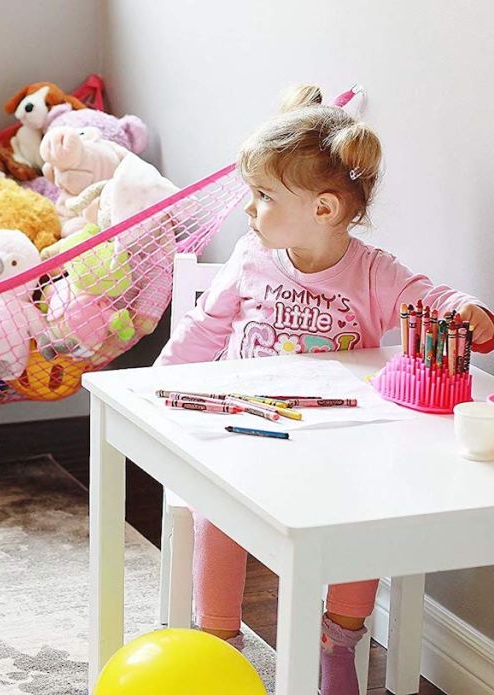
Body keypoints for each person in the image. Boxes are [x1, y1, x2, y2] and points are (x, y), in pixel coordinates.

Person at [156, 84, 494, 694]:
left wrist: (470, 311)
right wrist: (154, 385)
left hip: (337, 451)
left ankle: (337, 641)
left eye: (262, 196)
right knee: (216, 509)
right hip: (248, 435)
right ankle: (221, 643)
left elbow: (436, 300)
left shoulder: (372, 272)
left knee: (359, 521)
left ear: (324, 209)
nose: (249, 209)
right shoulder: (249, 258)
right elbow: (204, 327)